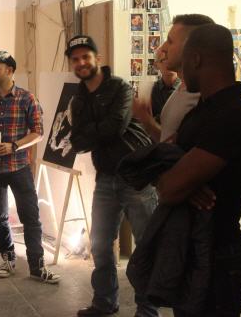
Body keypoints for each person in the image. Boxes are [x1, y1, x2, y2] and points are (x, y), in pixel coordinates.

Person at [157, 24, 241, 316]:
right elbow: (162, 161)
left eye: (184, 60)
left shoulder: (231, 117)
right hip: (196, 250)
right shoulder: (203, 111)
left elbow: (168, 188)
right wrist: (181, 175)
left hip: (219, 258)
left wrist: (180, 178)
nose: (181, 69)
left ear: (196, 59)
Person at [65, 35, 157, 317]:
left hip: (136, 175)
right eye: (75, 59)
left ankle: (148, 310)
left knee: (146, 245)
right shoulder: (78, 99)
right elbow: (77, 142)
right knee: (100, 245)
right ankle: (104, 302)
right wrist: (96, 131)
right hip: (105, 178)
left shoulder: (119, 88)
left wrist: (90, 131)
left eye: (86, 56)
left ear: (98, 59)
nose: (81, 62)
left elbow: (114, 128)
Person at [0, 51, 60, 284]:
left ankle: (37, 266)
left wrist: (14, 146)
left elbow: (38, 133)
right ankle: (8, 258)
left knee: (31, 217)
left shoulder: (27, 98)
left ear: (10, 70)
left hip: (19, 166)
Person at [133, 14, 215, 143]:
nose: (163, 48)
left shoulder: (203, 99)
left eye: (170, 41)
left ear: (191, 49)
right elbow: (169, 142)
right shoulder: (183, 89)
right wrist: (146, 120)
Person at [150, 57, 180, 124]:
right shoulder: (153, 89)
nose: (168, 63)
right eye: (164, 60)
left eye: (171, 59)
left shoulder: (186, 87)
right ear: (156, 65)